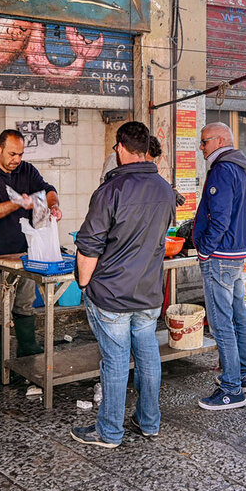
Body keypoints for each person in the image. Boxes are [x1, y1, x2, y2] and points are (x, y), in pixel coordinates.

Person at [70, 121, 176, 447]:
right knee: (147, 357)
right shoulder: (165, 190)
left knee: (115, 361)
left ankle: (110, 431)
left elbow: (88, 246)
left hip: (113, 295)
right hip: (148, 294)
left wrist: (85, 285)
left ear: (119, 148)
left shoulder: (110, 191)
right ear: (145, 150)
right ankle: (149, 421)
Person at [0, 129, 62, 379]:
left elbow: (47, 189)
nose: (16, 159)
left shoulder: (27, 171)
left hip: (25, 253)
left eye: (20, 154)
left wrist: (53, 206)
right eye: (12, 154)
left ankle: (27, 353)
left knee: (25, 303)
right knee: (1, 309)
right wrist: (20, 203)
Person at [195, 122, 246, 411]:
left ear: (219, 141)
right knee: (237, 316)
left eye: (205, 141)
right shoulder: (243, 169)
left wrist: (205, 250)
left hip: (220, 255)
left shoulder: (222, 169)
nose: (201, 147)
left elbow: (219, 218)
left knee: (222, 322)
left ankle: (231, 388)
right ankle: (243, 376)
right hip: (236, 253)